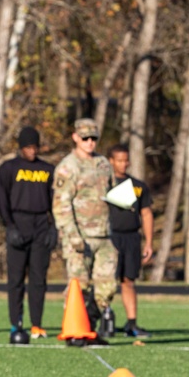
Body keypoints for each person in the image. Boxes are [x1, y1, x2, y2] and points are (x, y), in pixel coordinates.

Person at [52, 118, 116, 338]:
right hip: (80, 237)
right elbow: (61, 205)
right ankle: (75, 330)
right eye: (85, 138)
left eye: (94, 138)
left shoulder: (103, 164)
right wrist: (72, 236)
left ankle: (90, 327)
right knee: (79, 287)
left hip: (104, 235)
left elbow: (112, 193)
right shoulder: (67, 167)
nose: (90, 142)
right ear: (76, 138)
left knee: (106, 287)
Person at [0, 126, 55, 338]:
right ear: (21, 147)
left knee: (39, 279)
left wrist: (53, 228)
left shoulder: (48, 169)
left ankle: (37, 324)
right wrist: (9, 225)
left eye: (35, 147)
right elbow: (1, 198)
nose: (32, 151)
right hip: (18, 224)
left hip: (40, 225)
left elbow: (55, 201)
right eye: (28, 147)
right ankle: (16, 323)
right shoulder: (8, 168)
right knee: (16, 279)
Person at [106, 143, 153, 337]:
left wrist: (149, 242)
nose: (123, 164)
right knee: (106, 281)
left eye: (126, 160)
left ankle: (132, 323)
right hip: (109, 237)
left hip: (132, 238)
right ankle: (105, 320)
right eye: (119, 160)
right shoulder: (104, 183)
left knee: (128, 281)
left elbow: (146, 213)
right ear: (111, 161)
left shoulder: (138, 186)